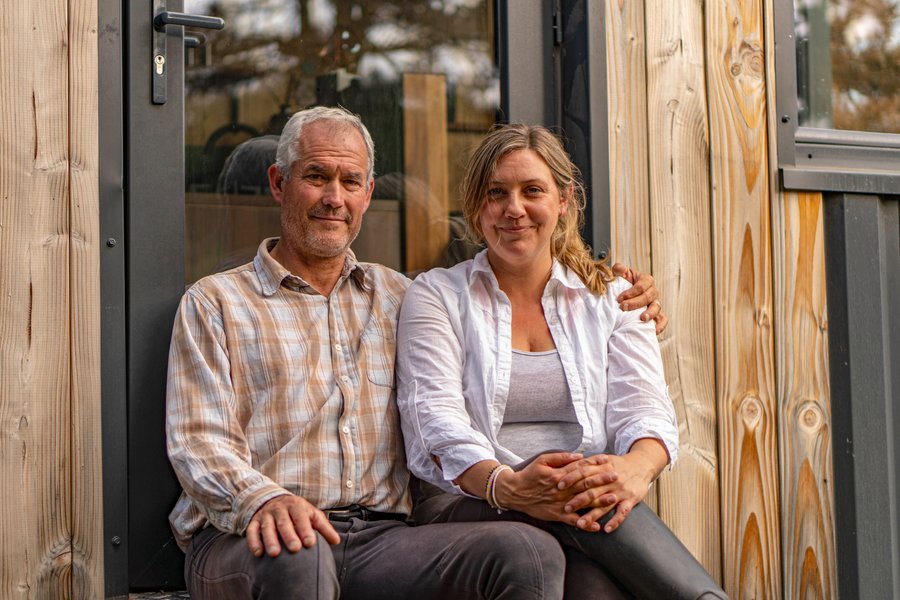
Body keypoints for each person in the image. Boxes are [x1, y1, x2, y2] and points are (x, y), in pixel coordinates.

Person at [395, 124, 728, 599]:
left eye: (532, 190)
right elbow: (435, 422)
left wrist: (635, 470)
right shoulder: (437, 296)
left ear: (563, 200)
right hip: (472, 504)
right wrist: (510, 484)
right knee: (575, 486)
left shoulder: (613, 297)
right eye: (496, 193)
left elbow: (646, 408)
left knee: (592, 584)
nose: (514, 208)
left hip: (589, 510)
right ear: (476, 206)